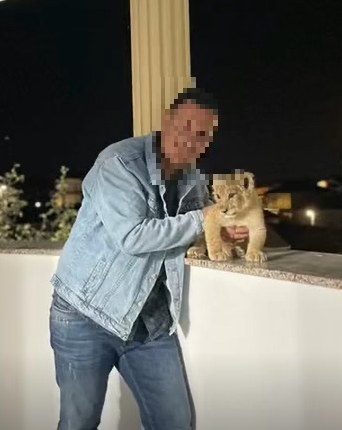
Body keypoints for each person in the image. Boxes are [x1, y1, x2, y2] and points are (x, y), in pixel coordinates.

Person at [49, 87, 248, 430]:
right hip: (84, 314)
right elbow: (133, 236)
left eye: (202, 135)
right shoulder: (118, 162)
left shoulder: (193, 179)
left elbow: (193, 228)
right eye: (185, 126)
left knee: (174, 422)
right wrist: (206, 218)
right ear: (166, 121)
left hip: (149, 319)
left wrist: (223, 232)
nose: (192, 139)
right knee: (78, 423)